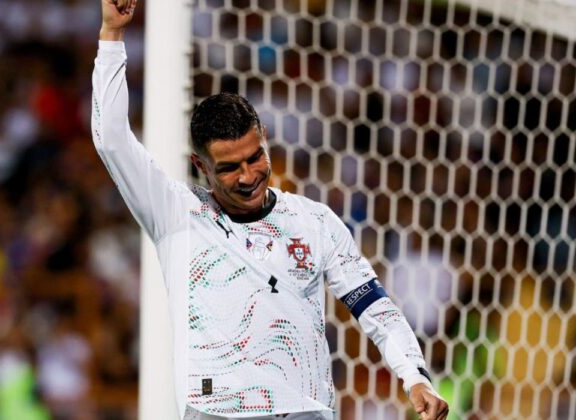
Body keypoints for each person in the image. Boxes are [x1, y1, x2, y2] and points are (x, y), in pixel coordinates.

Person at [92, 1, 449, 419]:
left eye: (255, 157)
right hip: (218, 411)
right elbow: (111, 139)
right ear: (200, 167)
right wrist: (112, 36)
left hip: (304, 412)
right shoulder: (176, 212)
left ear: (263, 137)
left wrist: (414, 375)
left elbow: (372, 303)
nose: (248, 176)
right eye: (229, 168)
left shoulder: (314, 222)